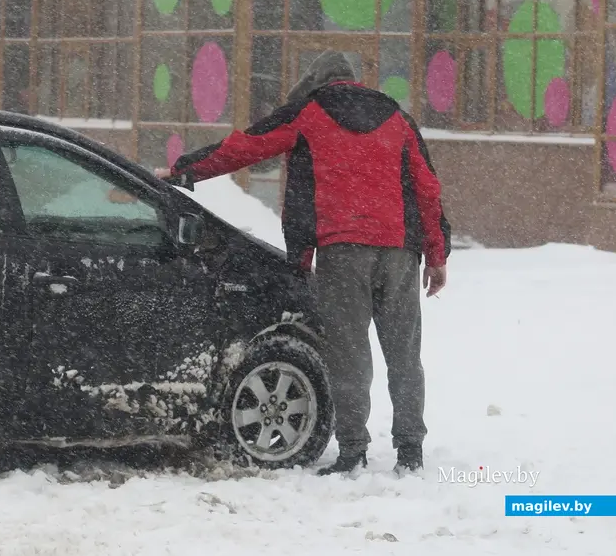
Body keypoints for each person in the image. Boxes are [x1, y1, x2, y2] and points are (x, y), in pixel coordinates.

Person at [157, 52, 451, 476]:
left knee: (349, 353)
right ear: (353, 79)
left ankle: (353, 449)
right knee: (404, 354)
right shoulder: (398, 118)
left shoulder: (309, 112)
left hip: (343, 249)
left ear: (317, 82)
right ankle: (410, 449)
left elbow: (245, 147)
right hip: (399, 252)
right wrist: (437, 256)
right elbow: (427, 188)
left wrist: (184, 171)